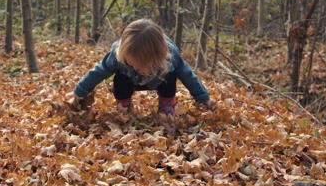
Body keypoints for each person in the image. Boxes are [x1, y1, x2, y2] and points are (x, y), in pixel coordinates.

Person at [65, 19, 217, 115]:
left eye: (141, 65)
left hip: (158, 78)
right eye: (132, 63)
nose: (137, 68)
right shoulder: (119, 55)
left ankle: (166, 108)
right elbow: (98, 72)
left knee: (170, 77)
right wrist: (78, 92)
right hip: (129, 81)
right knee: (119, 80)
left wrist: (204, 98)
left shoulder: (169, 56)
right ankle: (124, 107)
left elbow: (188, 76)